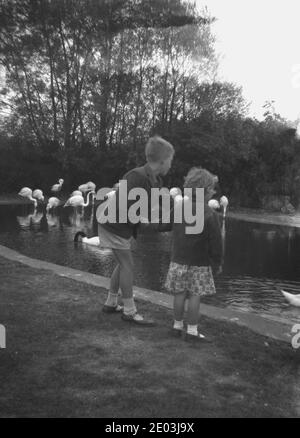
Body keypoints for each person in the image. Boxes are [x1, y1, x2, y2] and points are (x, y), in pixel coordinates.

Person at [98, 136, 175, 326]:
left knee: (122, 263)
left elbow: (156, 207)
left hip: (121, 227)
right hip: (113, 224)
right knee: (127, 265)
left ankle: (110, 303)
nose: (171, 166)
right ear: (163, 161)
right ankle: (130, 311)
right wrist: (143, 221)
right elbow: (124, 205)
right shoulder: (137, 176)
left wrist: (173, 217)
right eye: (171, 161)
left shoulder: (154, 180)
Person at [164, 167, 223, 341]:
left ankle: (176, 327)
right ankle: (191, 331)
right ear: (205, 192)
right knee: (195, 296)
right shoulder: (210, 215)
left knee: (179, 295)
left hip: (178, 261)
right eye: (211, 189)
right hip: (200, 263)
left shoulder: (180, 208)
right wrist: (217, 262)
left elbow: (163, 225)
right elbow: (216, 244)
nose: (213, 192)